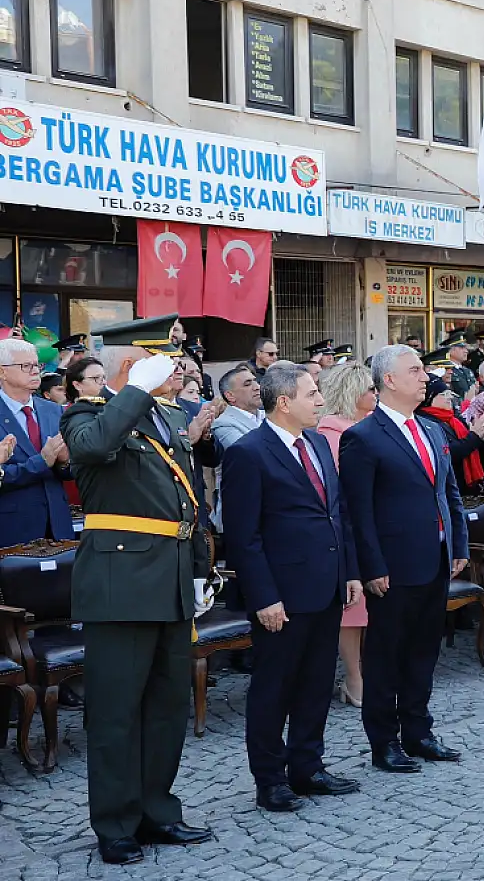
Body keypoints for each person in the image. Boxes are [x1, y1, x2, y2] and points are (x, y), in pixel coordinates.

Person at [62, 315, 214, 864]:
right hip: (120, 583)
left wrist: (198, 569)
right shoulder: (89, 414)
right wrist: (132, 391)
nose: (174, 369)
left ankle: (157, 811)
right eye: (160, 361)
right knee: (116, 711)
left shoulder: (166, 421)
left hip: (171, 579)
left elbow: (187, 503)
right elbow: (96, 448)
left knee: (166, 707)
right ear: (131, 367)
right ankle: (116, 824)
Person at [222, 365, 362, 813]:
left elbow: (337, 514)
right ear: (284, 402)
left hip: (326, 585)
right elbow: (243, 537)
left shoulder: (318, 442)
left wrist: (350, 571)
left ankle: (308, 765)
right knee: (274, 689)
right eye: (312, 393)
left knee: (317, 682)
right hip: (281, 594)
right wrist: (264, 596)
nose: (321, 400)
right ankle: (271, 779)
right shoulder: (249, 452)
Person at [339, 344, 470, 775]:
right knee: (386, 655)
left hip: (435, 558)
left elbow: (449, 494)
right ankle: (384, 740)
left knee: (423, 651)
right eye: (415, 370)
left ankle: (419, 730)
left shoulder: (433, 431)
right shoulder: (364, 436)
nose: (425, 377)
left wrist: (460, 546)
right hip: (393, 567)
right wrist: (372, 567)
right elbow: (357, 512)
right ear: (388, 380)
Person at [315, 363, 377, 708]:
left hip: (375, 527)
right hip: (347, 528)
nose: (375, 393)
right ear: (352, 392)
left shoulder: (368, 427)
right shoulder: (330, 432)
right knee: (352, 612)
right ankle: (353, 677)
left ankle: (369, 673)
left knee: (373, 608)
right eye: (369, 388)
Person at [0, 337, 75, 545]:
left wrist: (65, 462)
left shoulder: (53, 410)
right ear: (2, 371)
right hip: (12, 530)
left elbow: (70, 471)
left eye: (37, 365)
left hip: (58, 526)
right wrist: (41, 462)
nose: (35, 371)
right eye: (26, 366)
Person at [210, 364, 264, 529]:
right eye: (248, 384)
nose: (257, 387)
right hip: (243, 512)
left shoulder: (267, 416)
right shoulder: (223, 424)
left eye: (256, 381)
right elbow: (255, 456)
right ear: (230, 396)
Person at [417, 376, 484, 494]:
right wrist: (475, 436)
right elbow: (448, 452)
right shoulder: (424, 422)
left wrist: (483, 432)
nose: (449, 398)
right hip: (449, 489)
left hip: (467, 488)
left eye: (449, 393)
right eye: (444, 394)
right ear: (429, 398)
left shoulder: (453, 419)